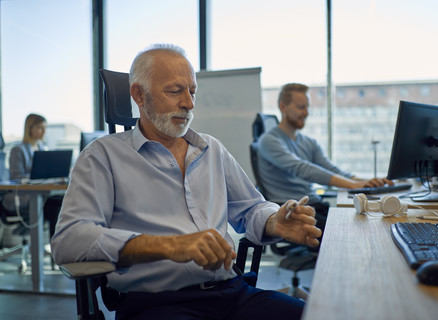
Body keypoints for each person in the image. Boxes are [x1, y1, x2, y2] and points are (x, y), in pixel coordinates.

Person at [51, 43, 322, 320]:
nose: (189, 103)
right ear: (139, 95)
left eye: (192, 92)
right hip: (159, 304)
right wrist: (172, 246)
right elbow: (69, 241)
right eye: (175, 91)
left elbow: (251, 208)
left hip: (233, 293)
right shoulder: (102, 156)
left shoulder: (211, 149)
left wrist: (274, 221)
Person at [257, 83, 393, 205]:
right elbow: (303, 169)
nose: (306, 112)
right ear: (283, 107)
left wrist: (369, 182)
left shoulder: (309, 142)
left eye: (307, 107)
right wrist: (353, 185)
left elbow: (333, 170)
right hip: (292, 212)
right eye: (300, 107)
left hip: (314, 204)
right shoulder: (269, 141)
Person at [2, 113, 62, 242]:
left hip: (41, 195)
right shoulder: (18, 150)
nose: (44, 131)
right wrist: (39, 178)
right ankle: (55, 251)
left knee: (61, 201)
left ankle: (58, 249)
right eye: (40, 127)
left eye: (45, 128)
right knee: (56, 206)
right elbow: (17, 177)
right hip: (22, 197)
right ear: (30, 128)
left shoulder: (43, 148)